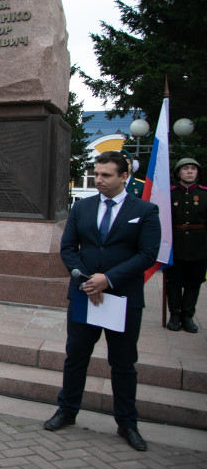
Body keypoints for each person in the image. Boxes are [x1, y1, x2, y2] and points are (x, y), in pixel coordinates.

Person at [43, 150, 160, 452]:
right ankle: (66, 411)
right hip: (85, 295)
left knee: (122, 364)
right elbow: (68, 247)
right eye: (97, 174)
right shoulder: (82, 208)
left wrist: (107, 279)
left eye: (106, 175)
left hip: (122, 297)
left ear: (124, 177)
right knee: (76, 357)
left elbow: (147, 254)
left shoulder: (145, 211)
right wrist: (86, 279)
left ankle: (127, 424)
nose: (99, 180)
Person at [166, 158, 206, 333]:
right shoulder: (170, 194)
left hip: (199, 245)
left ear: (198, 172)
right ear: (178, 173)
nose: (190, 171)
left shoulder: (204, 194)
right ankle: (174, 314)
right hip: (175, 245)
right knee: (174, 282)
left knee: (194, 282)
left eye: (193, 169)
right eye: (185, 168)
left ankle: (187, 315)